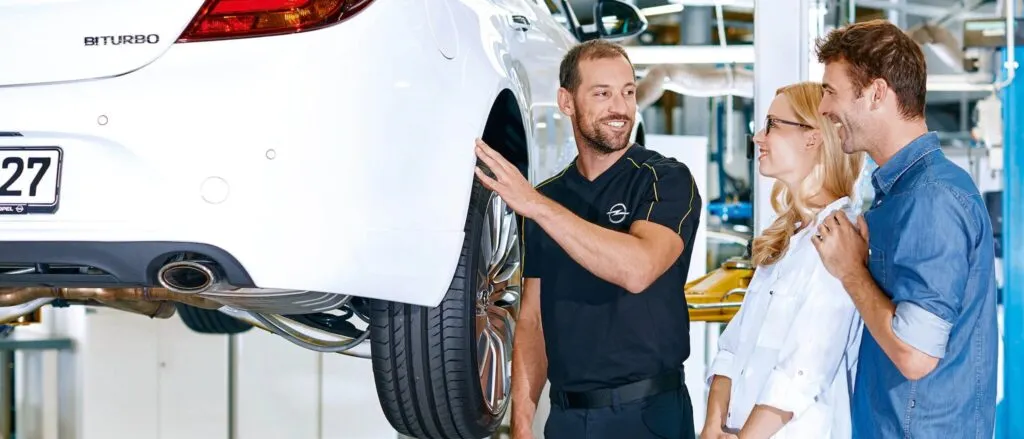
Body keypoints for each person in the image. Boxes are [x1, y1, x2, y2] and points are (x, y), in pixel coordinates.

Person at [471, 39, 703, 439]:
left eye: (628, 92)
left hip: (647, 415)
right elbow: (534, 320)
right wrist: (523, 424)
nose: (620, 107)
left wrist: (537, 207)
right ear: (566, 101)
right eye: (602, 93)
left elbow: (637, 269)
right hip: (567, 419)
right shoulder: (549, 197)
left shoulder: (664, 179)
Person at [812, 19, 999, 438]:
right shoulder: (901, 192)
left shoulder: (930, 198)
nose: (824, 109)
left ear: (877, 93)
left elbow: (915, 354)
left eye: (831, 92)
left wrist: (850, 270)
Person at [700, 82, 866, 439]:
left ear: (813, 137)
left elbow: (802, 373)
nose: (759, 137)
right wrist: (713, 426)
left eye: (773, 124)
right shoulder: (789, 236)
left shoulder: (838, 235)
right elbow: (731, 347)